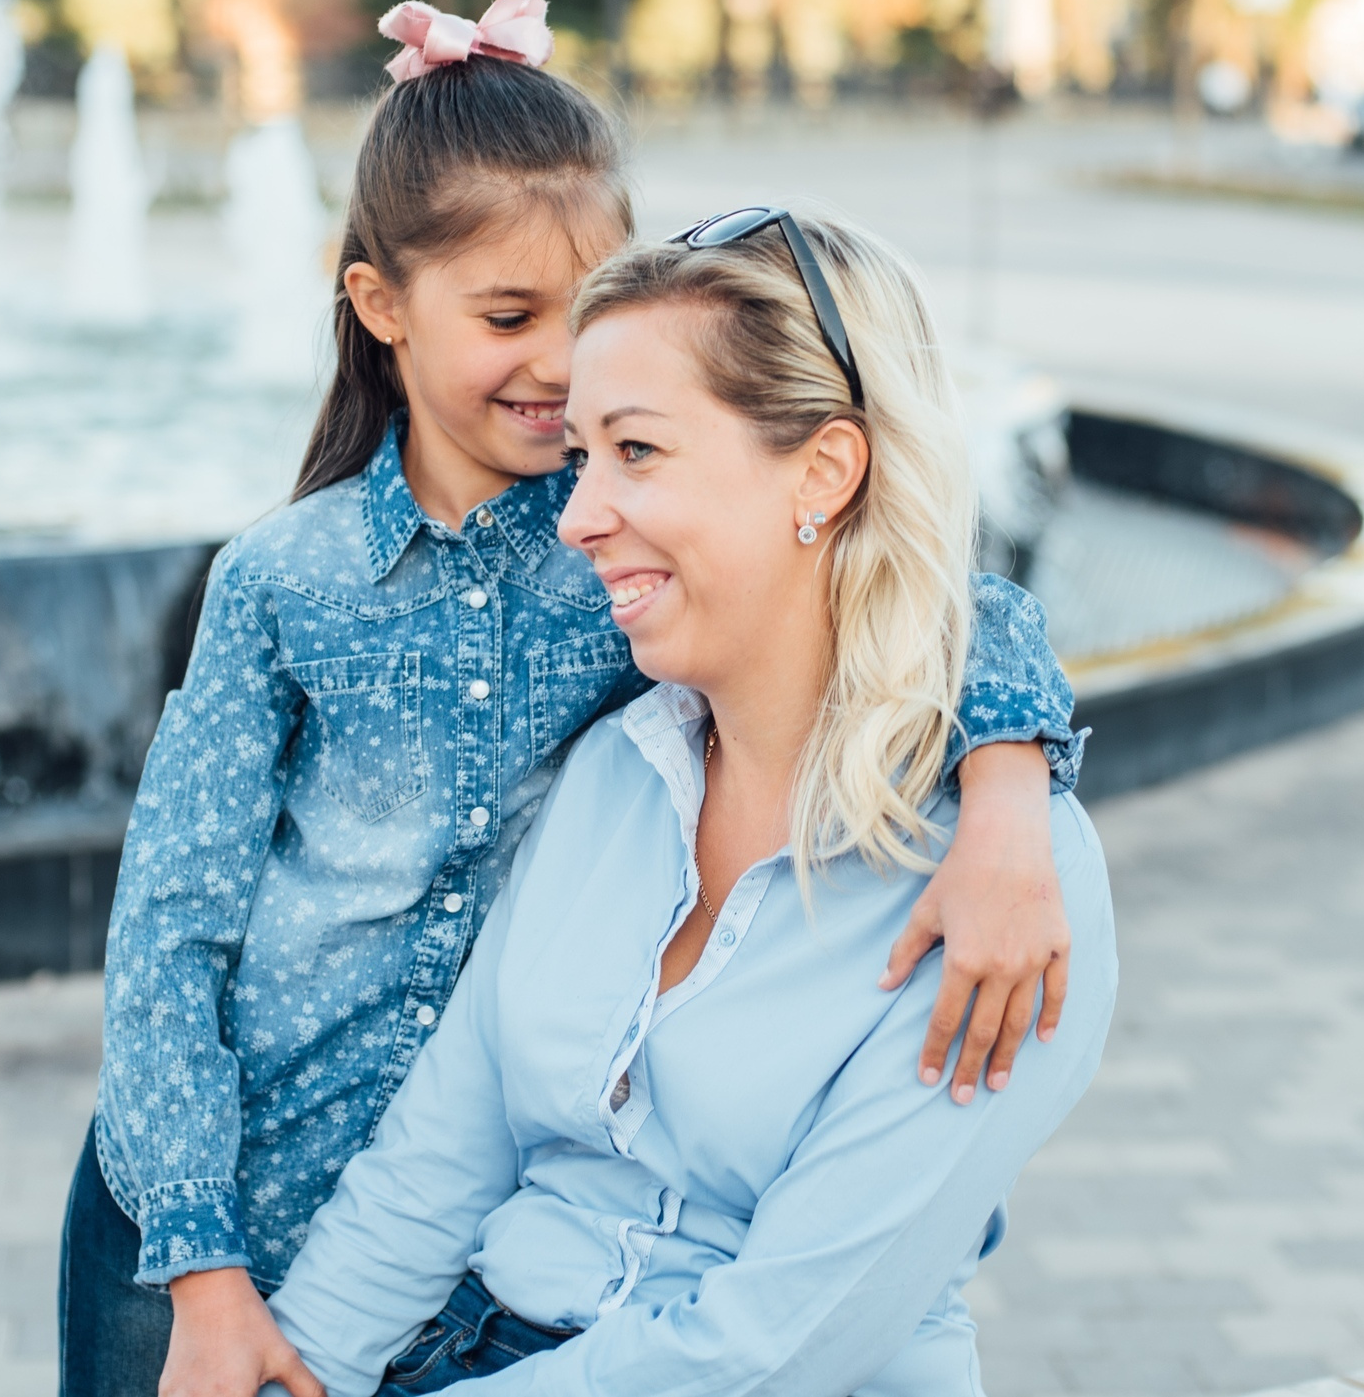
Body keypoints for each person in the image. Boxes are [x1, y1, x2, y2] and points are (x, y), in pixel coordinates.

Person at [60, 0, 1088, 1397]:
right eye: (507, 316)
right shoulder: (303, 590)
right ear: (378, 308)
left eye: (590, 333)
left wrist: (1016, 794)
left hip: (501, 1277)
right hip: (216, 1189)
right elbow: (171, 937)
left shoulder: (638, 581)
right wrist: (202, 1256)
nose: (560, 393)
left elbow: (934, 600)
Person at [264, 209, 1117, 1395]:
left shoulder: (1006, 879)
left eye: (638, 452)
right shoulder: (617, 769)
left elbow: (782, 1346)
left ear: (822, 470)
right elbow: (436, 1162)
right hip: (469, 1349)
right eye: (579, 457)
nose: (576, 517)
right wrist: (290, 1374)